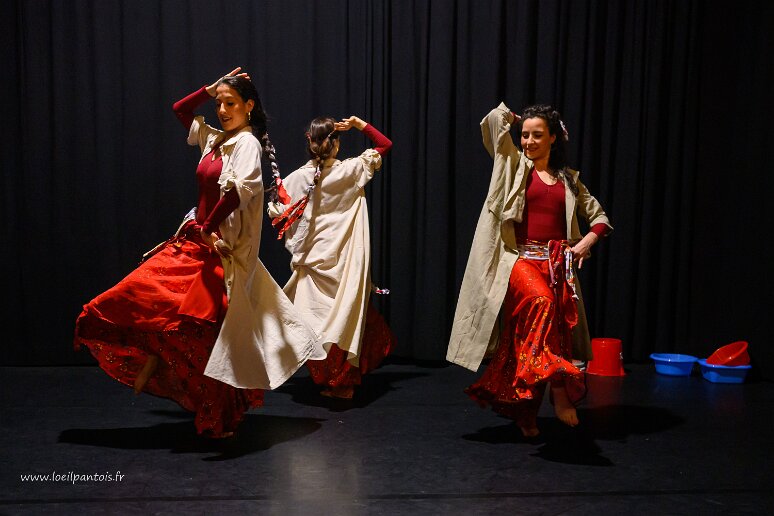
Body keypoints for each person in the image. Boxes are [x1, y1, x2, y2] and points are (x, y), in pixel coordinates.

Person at [74, 68, 318, 438]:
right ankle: (163, 363)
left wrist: (207, 228)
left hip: (219, 253)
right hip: (193, 245)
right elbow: (179, 110)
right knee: (144, 300)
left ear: (249, 106)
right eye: (218, 103)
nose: (221, 109)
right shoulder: (216, 140)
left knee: (207, 341)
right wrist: (209, 88)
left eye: (230, 103)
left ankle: (218, 414)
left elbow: (237, 193)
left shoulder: (248, 145)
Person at [447, 103, 612, 437]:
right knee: (541, 304)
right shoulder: (512, 164)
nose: (529, 141)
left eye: (538, 134)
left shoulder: (569, 179)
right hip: (519, 261)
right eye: (525, 135)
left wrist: (586, 242)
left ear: (553, 137)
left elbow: (600, 219)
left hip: (556, 266)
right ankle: (560, 389)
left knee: (539, 336)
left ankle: (526, 413)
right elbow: (493, 120)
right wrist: (516, 118)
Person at [268, 115, 395, 399]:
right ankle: (343, 383)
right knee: (344, 319)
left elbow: (276, 210)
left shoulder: (298, 178)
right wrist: (360, 125)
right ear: (335, 145)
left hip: (314, 263)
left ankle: (334, 382)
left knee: (313, 321)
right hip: (345, 261)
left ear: (310, 143)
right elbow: (385, 144)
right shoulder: (350, 170)